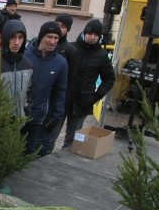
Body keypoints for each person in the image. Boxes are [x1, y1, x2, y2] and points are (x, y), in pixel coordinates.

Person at [49, 19, 115, 149]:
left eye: (96, 35)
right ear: (84, 33)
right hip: (62, 99)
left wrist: (95, 96)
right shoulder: (70, 48)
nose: (92, 37)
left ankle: (65, 163)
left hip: (83, 102)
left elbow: (109, 79)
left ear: (99, 37)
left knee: (72, 139)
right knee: (51, 134)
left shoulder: (102, 55)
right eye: (90, 34)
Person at [22, 21, 68, 156]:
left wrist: (57, 115)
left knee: (32, 154)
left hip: (40, 117)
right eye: (49, 37)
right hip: (20, 115)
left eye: (56, 38)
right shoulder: (25, 56)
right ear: (41, 37)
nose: (52, 41)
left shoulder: (60, 62)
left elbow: (61, 91)